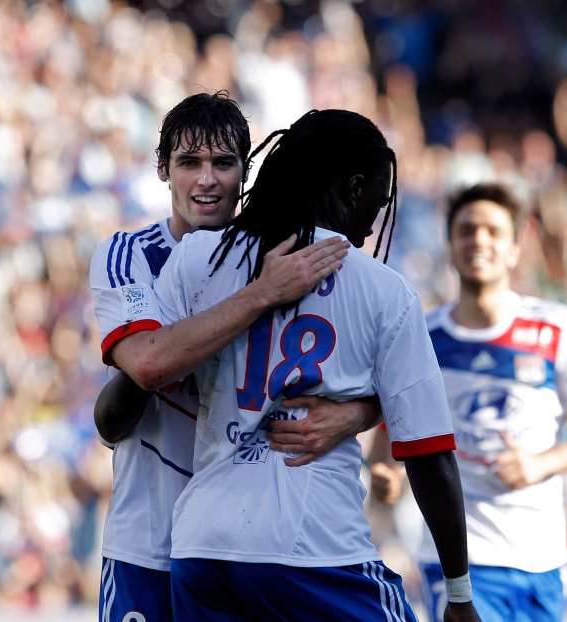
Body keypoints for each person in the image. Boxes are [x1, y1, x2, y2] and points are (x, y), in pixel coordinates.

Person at [153, 109, 481, 622]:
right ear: (354, 188)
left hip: (201, 547)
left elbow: (147, 373)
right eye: (377, 199)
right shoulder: (381, 289)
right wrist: (459, 595)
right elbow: (429, 453)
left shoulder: (198, 258)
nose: (375, 221)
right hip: (313, 545)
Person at [88, 93, 377, 622]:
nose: (207, 180)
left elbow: (380, 359)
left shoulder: (292, 255)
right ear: (162, 170)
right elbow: (144, 371)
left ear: (246, 172)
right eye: (189, 163)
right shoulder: (131, 255)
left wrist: (360, 412)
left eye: (223, 164)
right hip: (148, 543)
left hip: (250, 545)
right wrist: (261, 294)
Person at [371, 182, 567, 622]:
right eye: (467, 230)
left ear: (515, 247)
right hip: (455, 563)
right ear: (449, 244)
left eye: (492, 230)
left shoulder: (557, 330)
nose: (479, 241)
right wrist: (385, 471)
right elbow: (388, 427)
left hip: (541, 562)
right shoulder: (421, 337)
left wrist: (542, 463)